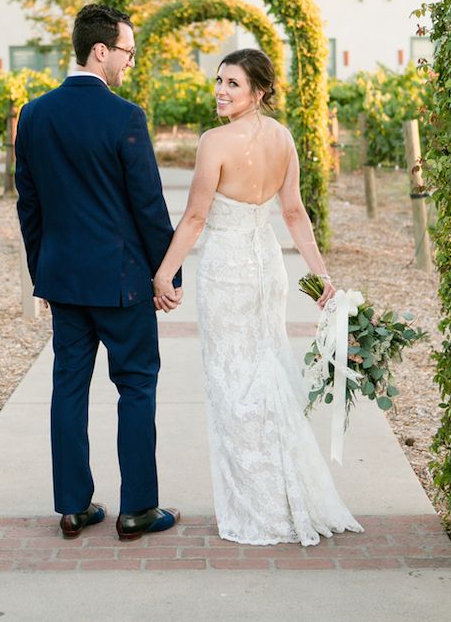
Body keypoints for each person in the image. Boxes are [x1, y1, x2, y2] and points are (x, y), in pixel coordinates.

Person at [153, 48, 363, 546]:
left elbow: (197, 218)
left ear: (258, 92)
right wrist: (319, 276)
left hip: (228, 270)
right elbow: (292, 213)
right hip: (266, 266)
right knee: (264, 373)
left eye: (233, 85)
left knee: (234, 386)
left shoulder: (214, 142)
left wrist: (164, 272)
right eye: (219, 81)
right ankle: (289, 492)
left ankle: (260, 505)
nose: (221, 92)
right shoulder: (283, 139)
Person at [15, 4, 182, 542]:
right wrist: (167, 274)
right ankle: (136, 510)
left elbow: (29, 203)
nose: (130, 63)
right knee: (136, 385)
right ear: (100, 50)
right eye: (127, 52)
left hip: (64, 279)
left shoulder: (35, 114)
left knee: (68, 387)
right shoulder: (124, 116)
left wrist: (42, 271)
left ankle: (72, 507)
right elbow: (149, 205)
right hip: (122, 281)